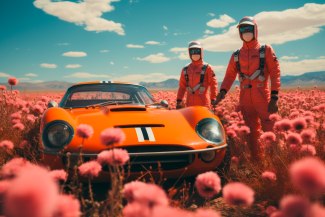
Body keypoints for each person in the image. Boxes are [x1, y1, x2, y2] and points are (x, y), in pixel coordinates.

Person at [215, 16, 281, 160]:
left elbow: (276, 74)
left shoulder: (266, 50)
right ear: (239, 33)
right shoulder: (237, 55)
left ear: (255, 30)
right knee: (251, 133)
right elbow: (229, 77)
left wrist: (275, 97)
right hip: (245, 100)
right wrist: (222, 93)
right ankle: (258, 163)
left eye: (248, 28)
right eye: (243, 29)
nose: (246, 32)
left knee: (270, 130)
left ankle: (276, 163)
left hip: (263, 98)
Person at [176, 41, 218, 109]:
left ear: (201, 52)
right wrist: (179, 100)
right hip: (189, 106)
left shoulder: (207, 68)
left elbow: (213, 84)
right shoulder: (185, 69)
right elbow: (182, 87)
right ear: (189, 53)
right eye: (192, 51)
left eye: (197, 51)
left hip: (204, 105)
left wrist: (213, 99)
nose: (195, 53)